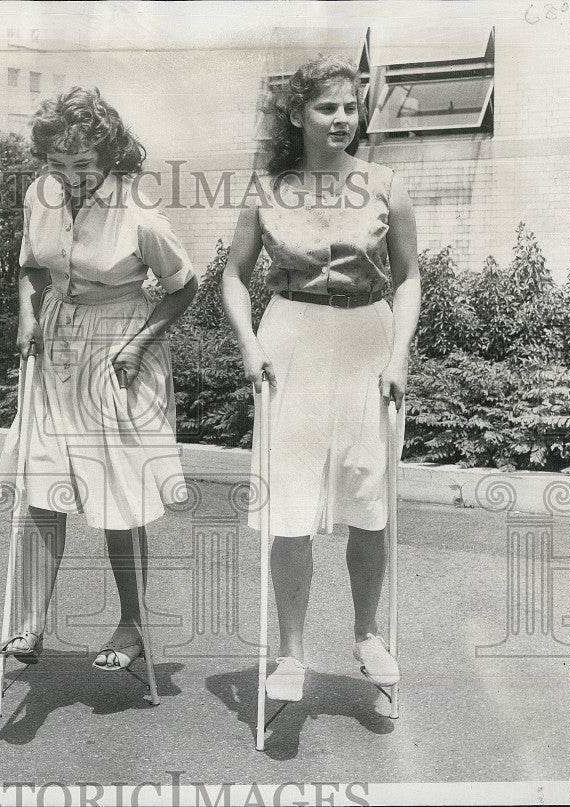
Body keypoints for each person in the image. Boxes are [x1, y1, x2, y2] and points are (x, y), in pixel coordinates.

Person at [221, 55, 421, 702]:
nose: (341, 119)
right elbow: (232, 275)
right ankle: (291, 654)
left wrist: (399, 356)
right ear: (297, 114)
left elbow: (410, 276)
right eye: (326, 107)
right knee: (291, 504)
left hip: (369, 338)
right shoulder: (268, 188)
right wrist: (249, 344)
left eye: (349, 107)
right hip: (292, 342)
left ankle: (366, 634)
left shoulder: (386, 183)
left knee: (369, 496)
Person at [0, 87, 198, 671]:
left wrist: (138, 346)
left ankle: (131, 625)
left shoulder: (140, 211)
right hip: (58, 344)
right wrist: (30, 316)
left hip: (118, 348)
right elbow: (33, 265)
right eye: (57, 165)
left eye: (82, 165)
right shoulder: (42, 195)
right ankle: (31, 622)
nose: (69, 177)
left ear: (109, 157)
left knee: (118, 496)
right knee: (45, 483)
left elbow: (183, 286)